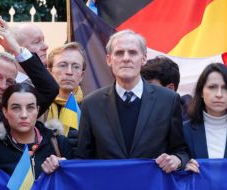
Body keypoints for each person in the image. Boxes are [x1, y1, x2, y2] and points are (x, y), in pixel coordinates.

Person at [75, 30, 189, 172]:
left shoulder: (168, 101)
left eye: (133, 52)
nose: (126, 58)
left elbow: (182, 152)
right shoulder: (91, 104)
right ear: (109, 59)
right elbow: (82, 159)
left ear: (144, 58)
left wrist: (176, 160)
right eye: (119, 53)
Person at [0, 83, 69, 176]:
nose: (24, 115)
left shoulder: (58, 143)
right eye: (16, 108)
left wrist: (65, 166)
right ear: (5, 112)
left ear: (38, 110)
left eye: (30, 107)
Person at [0, 19, 59, 121]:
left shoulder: (13, 115)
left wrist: (17, 50)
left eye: (10, 82)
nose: (3, 86)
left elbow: (50, 89)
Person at [44, 42, 86, 141]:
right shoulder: (38, 106)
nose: (69, 72)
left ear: (82, 76)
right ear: (50, 72)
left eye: (76, 67)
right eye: (62, 65)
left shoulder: (92, 108)